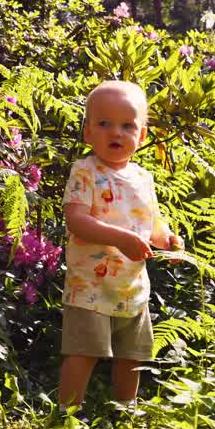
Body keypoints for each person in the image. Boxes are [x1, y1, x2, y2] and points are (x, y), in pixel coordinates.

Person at [58, 80, 184, 409]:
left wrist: (168, 240)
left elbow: (150, 224)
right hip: (90, 286)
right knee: (83, 353)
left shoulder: (143, 178)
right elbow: (76, 220)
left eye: (127, 125)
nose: (116, 132)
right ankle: (66, 417)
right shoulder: (85, 172)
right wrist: (120, 238)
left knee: (133, 356)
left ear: (141, 136)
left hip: (132, 288)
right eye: (104, 123)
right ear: (88, 133)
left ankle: (125, 414)